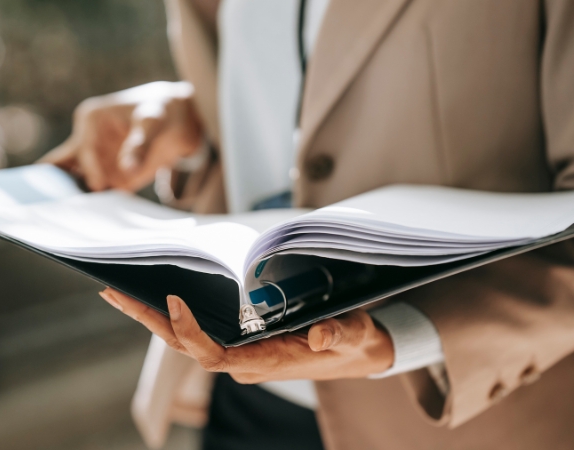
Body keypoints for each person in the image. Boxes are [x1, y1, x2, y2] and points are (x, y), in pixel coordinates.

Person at [43, 0, 574, 449]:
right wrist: (191, 121)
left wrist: (401, 338)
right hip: (245, 396)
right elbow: (280, 99)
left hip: (450, 413)